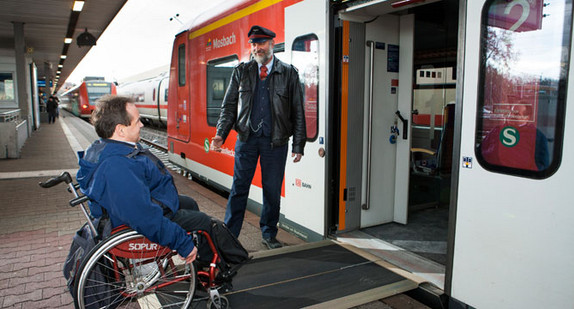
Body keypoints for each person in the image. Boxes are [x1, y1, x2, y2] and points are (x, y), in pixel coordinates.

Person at [77, 95, 212, 263]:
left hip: (135, 210)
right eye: (137, 121)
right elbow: (143, 217)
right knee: (204, 222)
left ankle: (201, 262)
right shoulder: (116, 167)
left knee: (189, 203)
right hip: (133, 223)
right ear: (121, 130)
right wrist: (183, 243)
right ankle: (206, 264)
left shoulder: (107, 149)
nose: (142, 124)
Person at [211, 25, 306, 249]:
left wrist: (298, 144)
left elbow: (298, 111)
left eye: (261, 43)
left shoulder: (289, 72)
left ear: (272, 44)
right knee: (239, 188)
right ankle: (229, 235)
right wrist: (220, 135)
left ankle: (269, 234)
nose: (257, 48)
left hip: (276, 141)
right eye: (253, 44)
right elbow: (229, 107)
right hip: (246, 138)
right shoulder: (241, 71)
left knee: (272, 190)